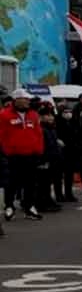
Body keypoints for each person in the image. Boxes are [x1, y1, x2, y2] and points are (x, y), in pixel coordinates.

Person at [0, 89, 44, 220]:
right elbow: (2, 135)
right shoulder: (4, 115)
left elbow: (38, 134)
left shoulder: (33, 114)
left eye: (28, 99)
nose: (28, 101)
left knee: (30, 182)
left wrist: (39, 151)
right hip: (13, 155)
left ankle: (29, 207)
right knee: (12, 182)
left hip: (31, 154)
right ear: (17, 100)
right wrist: (6, 151)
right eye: (25, 99)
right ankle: (9, 206)